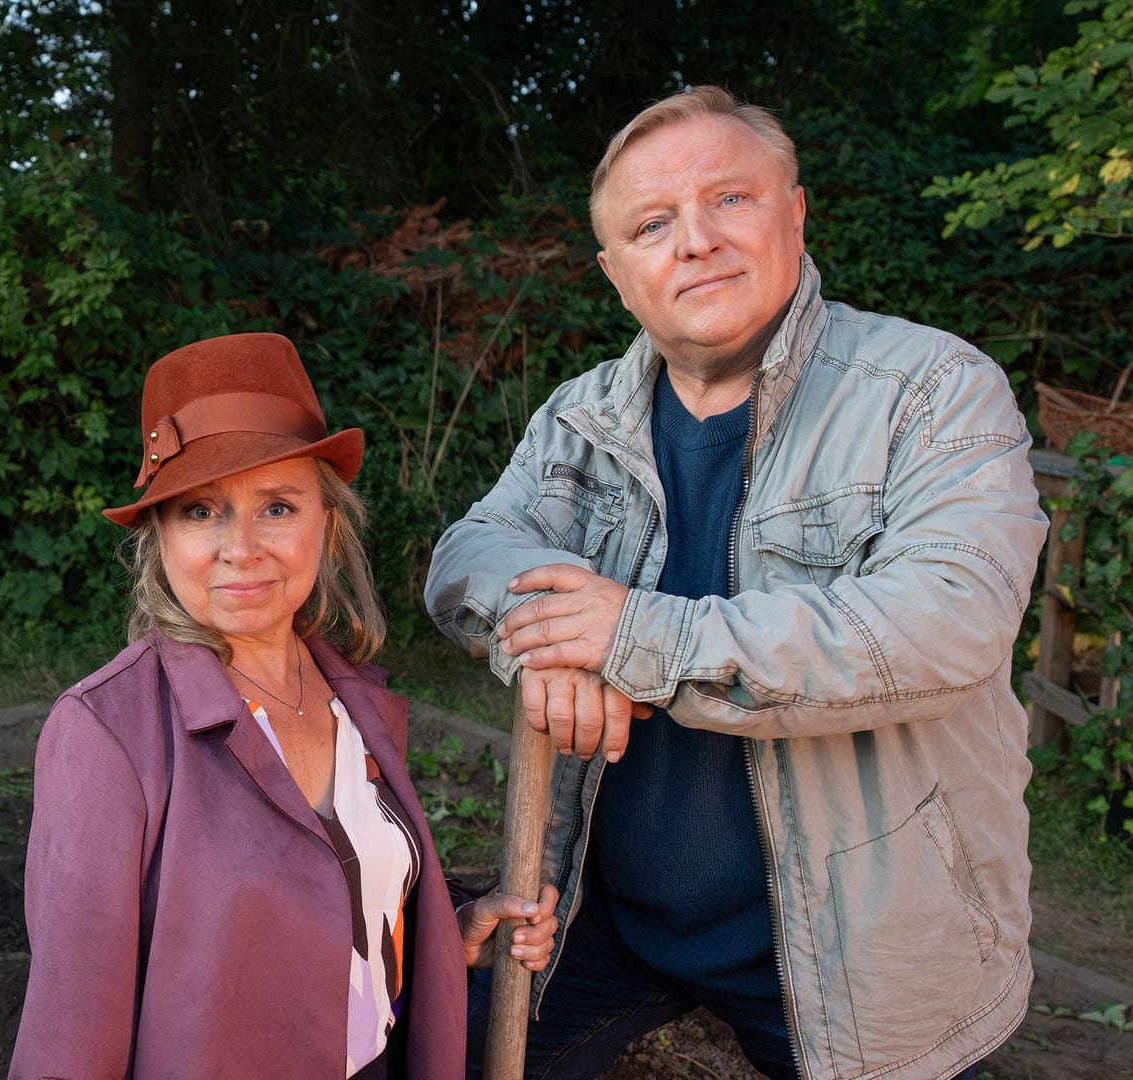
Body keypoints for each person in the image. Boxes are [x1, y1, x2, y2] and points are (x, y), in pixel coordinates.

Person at [424, 86, 1047, 1080]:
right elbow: (471, 553)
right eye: (654, 224)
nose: (697, 241)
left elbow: (949, 623)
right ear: (618, 273)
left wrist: (630, 639)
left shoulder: (931, 389)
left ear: (795, 216)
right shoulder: (582, 419)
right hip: (605, 909)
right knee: (425, 1051)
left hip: (859, 955)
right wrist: (542, 637)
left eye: (732, 200)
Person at [9, 332, 559, 1078]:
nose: (241, 547)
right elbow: (68, 1039)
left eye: (276, 506)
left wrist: (443, 933)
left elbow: (325, 907)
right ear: (158, 537)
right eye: (200, 511)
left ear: (325, 525)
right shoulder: (107, 733)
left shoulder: (352, 701)